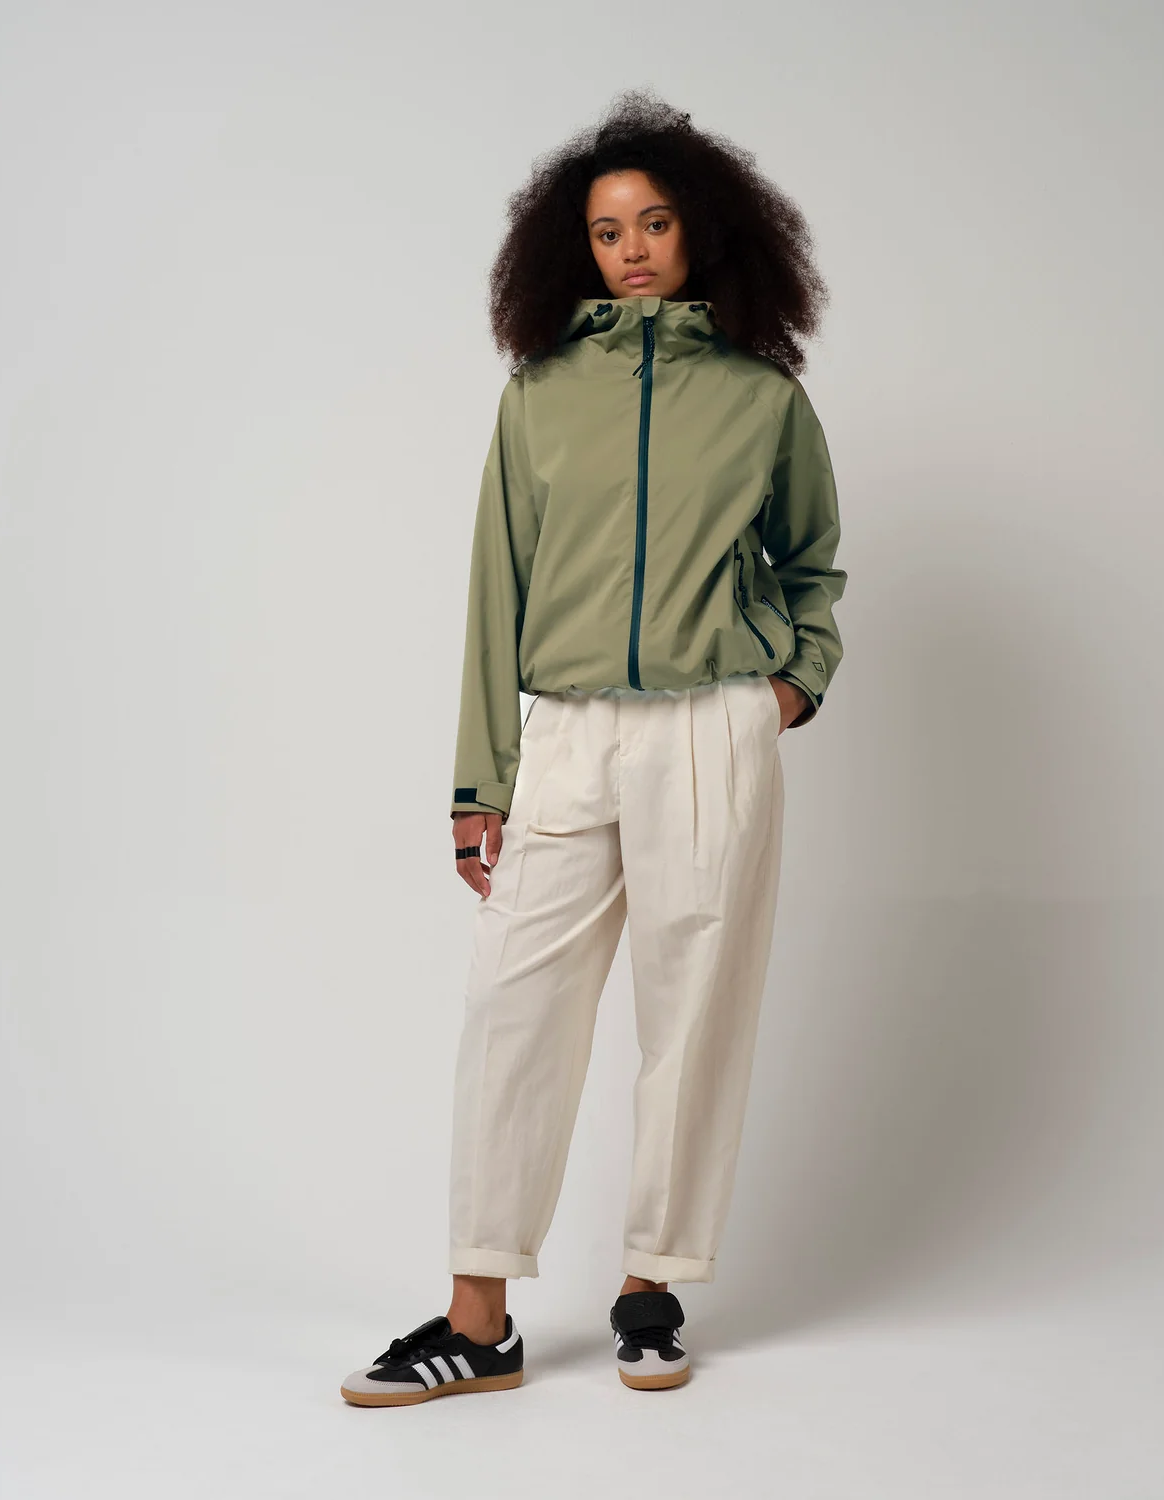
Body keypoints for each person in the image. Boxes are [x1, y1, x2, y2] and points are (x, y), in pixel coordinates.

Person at [341, 90, 845, 1406]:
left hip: (712, 728)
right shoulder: (539, 396)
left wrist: (788, 689)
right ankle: (479, 1319)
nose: (631, 249)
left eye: (655, 223)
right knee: (512, 1012)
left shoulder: (761, 399)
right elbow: (494, 592)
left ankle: (650, 1290)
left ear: (701, 232)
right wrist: (479, 782)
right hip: (565, 730)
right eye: (608, 230)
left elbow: (812, 563)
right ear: (574, 249)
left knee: (695, 1015)